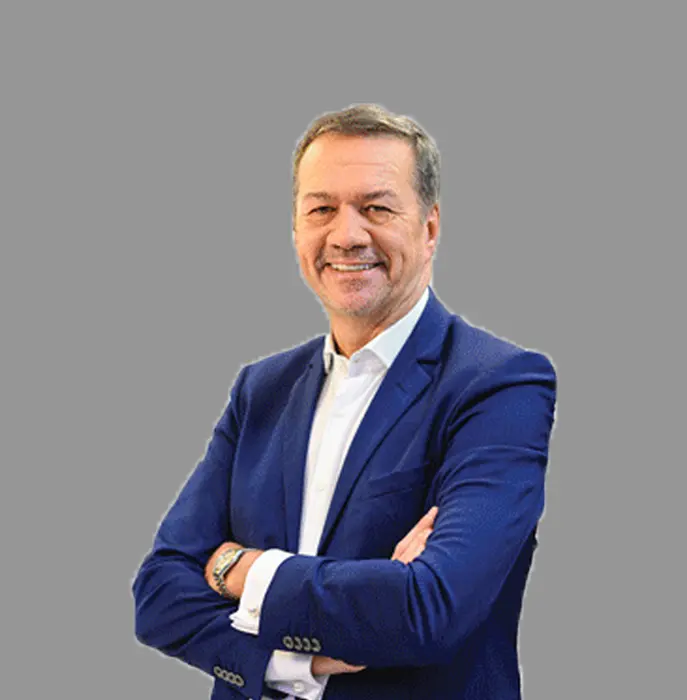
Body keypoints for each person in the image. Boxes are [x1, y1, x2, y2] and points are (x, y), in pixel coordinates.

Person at [132, 103, 557, 700]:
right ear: (296, 229)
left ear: (430, 228)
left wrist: (242, 569)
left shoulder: (498, 385)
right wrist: (294, 663)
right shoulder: (261, 389)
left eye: (377, 208)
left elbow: (430, 608)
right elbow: (157, 594)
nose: (347, 235)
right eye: (321, 209)